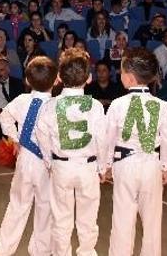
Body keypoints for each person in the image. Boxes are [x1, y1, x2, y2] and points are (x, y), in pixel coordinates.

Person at [104, 48, 167, 256]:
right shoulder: (161, 105)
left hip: (124, 164)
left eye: (121, 71)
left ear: (129, 76)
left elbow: (108, 138)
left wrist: (106, 165)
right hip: (151, 164)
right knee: (152, 219)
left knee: (122, 218)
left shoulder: (117, 104)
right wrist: (165, 166)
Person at [36, 48, 107, 256]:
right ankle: (86, 251)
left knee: (61, 217)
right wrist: (103, 166)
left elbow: (42, 135)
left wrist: (49, 161)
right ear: (89, 78)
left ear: (58, 77)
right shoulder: (95, 106)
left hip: (61, 166)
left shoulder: (50, 105)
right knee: (88, 218)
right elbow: (101, 139)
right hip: (88, 167)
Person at [0, 56, 58, 256]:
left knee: (18, 205)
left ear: (27, 80)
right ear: (56, 80)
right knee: (45, 207)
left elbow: (5, 116)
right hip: (47, 164)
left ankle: (3, 250)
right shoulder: (56, 105)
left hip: (25, 160)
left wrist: (16, 139)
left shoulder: (21, 100)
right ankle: (41, 250)